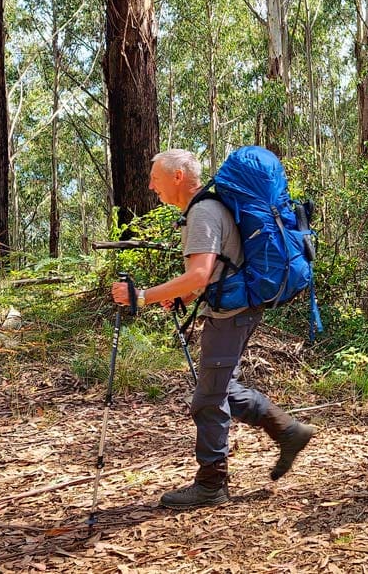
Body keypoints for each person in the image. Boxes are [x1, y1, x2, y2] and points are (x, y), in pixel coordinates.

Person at [110, 149, 318, 509]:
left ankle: (211, 484)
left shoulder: (203, 211)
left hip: (231, 314)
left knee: (208, 399)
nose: (150, 185)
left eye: (155, 177)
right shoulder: (209, 207)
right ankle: (287, 431)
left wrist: (140, 297)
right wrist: (185, 297)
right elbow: (216, 268)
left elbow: (199, 274)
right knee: (223, 388)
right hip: (236, 309)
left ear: (177, 177)